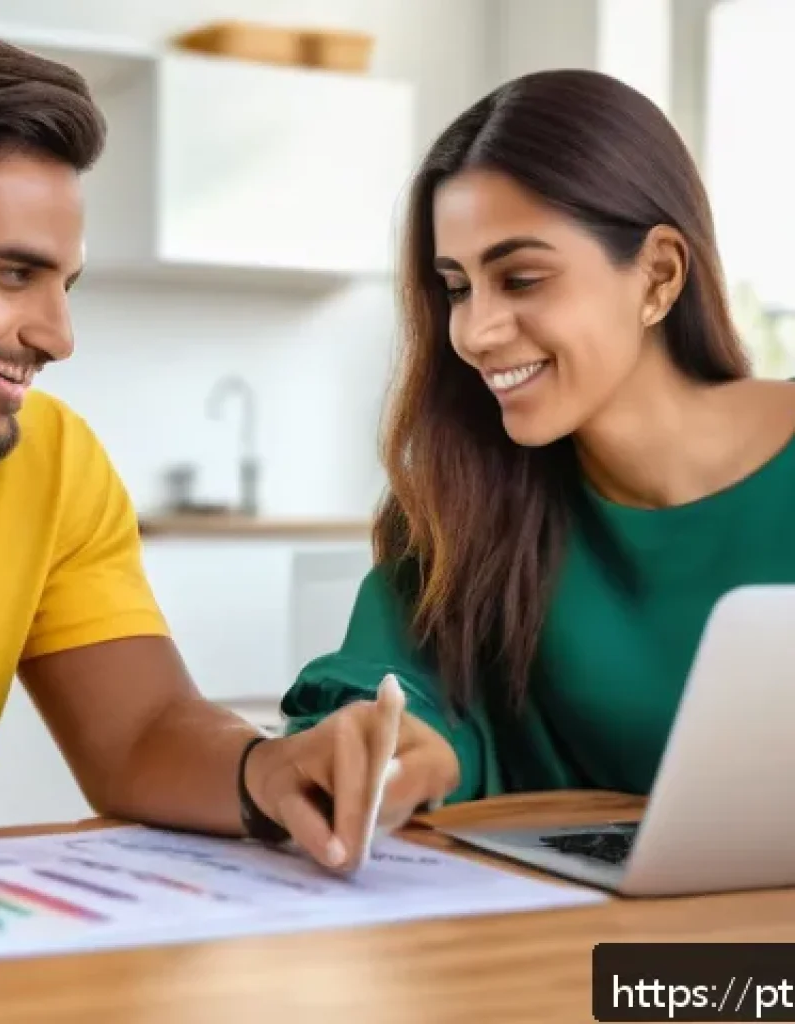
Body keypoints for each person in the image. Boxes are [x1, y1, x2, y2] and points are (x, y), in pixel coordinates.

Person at [0, 27, 450, 887]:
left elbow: (140, 731)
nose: (58, 336)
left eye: (66, 284)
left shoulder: (48, 462)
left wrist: (268, 770)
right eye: (15, 275)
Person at [282, 68, 795, 805]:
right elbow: (383, 690)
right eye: (457, 287)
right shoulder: (457, 503)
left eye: (520, 279)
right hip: (568, 921)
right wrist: (398, 749)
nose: (475, 332)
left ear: (657, 275)